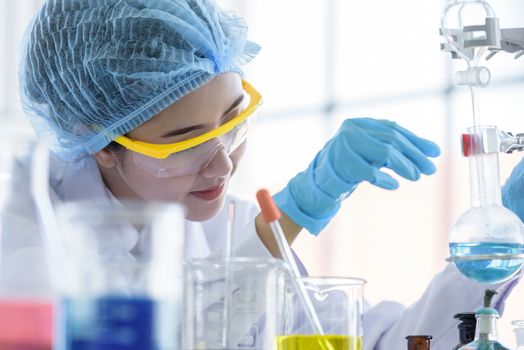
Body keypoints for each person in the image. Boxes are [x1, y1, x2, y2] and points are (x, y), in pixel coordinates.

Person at [5, 0, 520, 349]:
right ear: (97, 141)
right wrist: (295, 213)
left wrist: (507, 234)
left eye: (232, 122)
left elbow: (383, 342)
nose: (224, 164)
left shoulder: (220, 222)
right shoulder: (21, 237)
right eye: (183, 142)